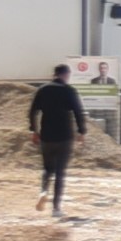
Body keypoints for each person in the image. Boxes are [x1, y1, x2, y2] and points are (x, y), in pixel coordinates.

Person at [28, 64, 84, 216]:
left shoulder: (43, 90)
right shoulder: (69, 91)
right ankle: (56, 208)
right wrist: (82, 131)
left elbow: (33, 111)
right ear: (65, 75)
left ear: (55, 74)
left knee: (47, 169)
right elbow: (78, 112)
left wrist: (34, 131)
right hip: (64, 136)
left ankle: (43, 191)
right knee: (60, 172)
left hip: (46, 136)